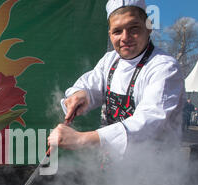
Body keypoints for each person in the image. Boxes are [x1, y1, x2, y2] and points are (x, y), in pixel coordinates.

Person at [48, 0, 184, 159]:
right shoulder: (110, 60)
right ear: (110, 34)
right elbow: (90, 84)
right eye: (117, 31)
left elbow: (150, 122)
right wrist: (80, 94)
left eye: (134, 28)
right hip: (114, 165)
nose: (125, 38)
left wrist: (81, 139)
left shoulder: (164, 67)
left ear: (148, 27)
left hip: (155, 169)